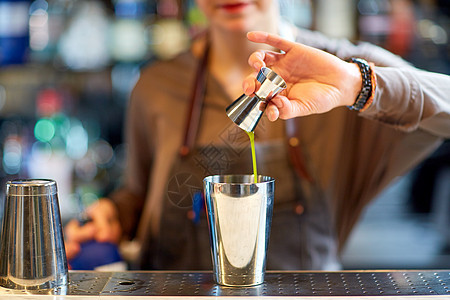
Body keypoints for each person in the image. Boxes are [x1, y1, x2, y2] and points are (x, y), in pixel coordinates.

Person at [64, 0, 450, 270]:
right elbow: (143, 195)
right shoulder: (156, 85)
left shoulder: (343, 69)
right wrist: (115, 214)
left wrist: (358, 85)